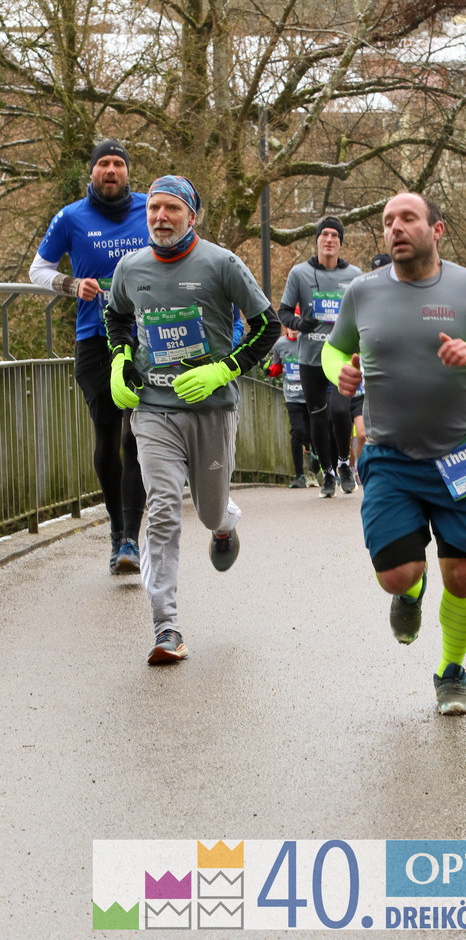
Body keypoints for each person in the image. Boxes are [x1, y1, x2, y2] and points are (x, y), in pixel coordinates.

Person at [321, 192, 466, 715]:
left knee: (463, 575)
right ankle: (409, 593)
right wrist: (337, 371)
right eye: (388, 221)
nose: (395, 228)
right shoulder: (362, 292)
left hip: (460, 454)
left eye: (407, 218)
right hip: (389, 456)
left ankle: (451, 671)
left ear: (437, 230)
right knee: (397, 573)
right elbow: (334, 347)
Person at [104, 175, 280, 665]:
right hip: (154, 408)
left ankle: (224, 524)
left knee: (206, 511)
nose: (160, 218)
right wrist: (120, 360)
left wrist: (223, 369)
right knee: (162, 507)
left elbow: (268, 326)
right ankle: (166, 626)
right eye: (154, 209)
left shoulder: (221, 263)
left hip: (211, 408)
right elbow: (116, 316)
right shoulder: (130, 267)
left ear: (191, 216)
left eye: (172, 210)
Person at [29, 139, 148, 575]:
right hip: (94, 338)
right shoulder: (71, 216)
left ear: (127, 172)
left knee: (137, 436)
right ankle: (117, 529)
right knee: (107, 435)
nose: (111, 170)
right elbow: (37, 270)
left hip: (145, 339)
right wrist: (70, 285)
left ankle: (131, 542)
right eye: (104, 164)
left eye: (118, 163)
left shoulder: (149, 210)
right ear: (92, 172)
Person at [278, 215, 362, 497]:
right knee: (317, 416)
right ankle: (327, 472)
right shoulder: (299, 273)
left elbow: (364, 313)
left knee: (339, 411)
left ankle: (343, 463)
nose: (329, 240)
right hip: (310, 357)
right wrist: (301, 324)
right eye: (324, 235)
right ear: (317, 241)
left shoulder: (354, 276)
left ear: (340, 243)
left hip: (340, 356)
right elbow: (284, 312)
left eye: (335, 236)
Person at [266, 323, 318, 488]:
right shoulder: (280, 345)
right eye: (290, 324)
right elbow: (278, 366)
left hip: (310, 396)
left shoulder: (309, 341)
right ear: (286, 326)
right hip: (292, 396)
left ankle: (313, 469)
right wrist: (269, 370)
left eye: (297, 324)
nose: (294, 328)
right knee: (297, 432)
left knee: (313, 433)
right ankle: (299, 476)